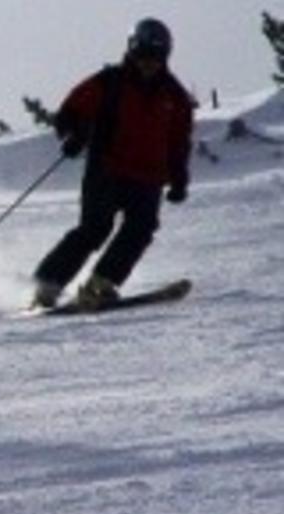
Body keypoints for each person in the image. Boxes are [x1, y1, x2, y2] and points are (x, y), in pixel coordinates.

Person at [32, 18, 193, 309]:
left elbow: (179, 142)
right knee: (96, 228)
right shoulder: (110, 82)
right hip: (107, 169)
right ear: (132, 51)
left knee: (142, 228)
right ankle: (47, 286)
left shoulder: (175, 97)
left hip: (148, 177)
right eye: (143, 56)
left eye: (155, 58)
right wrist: (77, 133)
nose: (149, 64)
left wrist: (179, 179)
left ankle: (101, 284)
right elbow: (68, 113)